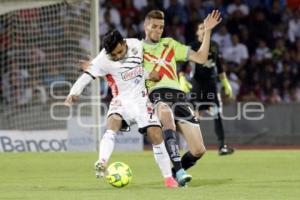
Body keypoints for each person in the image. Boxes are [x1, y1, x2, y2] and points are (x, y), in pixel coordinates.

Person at [65, 29, 178, 188]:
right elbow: (87, 75)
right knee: (112, 125)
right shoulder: (102, 59)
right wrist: (74, 92)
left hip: (141, 101)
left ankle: (168, 179)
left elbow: (141, 67)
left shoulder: (136, 45)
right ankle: (102, 161)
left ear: (124, 43)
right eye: (113, 55)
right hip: (121, 101)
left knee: (156, 134)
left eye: (119, 52)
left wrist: (150, 74)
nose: (117, 56)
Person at [142, 10, 221, 179]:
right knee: (167, 118)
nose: (158, 30)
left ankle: (173, 174)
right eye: (154, 26)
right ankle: (179, 172)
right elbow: (119, 67)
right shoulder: (137, 48)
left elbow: (200, 58)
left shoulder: (170, 43)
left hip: (179, 96)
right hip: (157, 94)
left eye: (161, 27)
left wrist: (207, 31)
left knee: (199, 150)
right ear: (145, 26)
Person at [180, 22, 235, 155]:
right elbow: (182, 67)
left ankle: (222, 146)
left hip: (211, 86)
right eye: (201, 29)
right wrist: (181, 79)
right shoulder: (192, 46)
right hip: (197, 86)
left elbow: (220, 67)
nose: (203, 31)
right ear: (197, 32)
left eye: (206, 28)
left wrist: (225, 82)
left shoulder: (214, 46)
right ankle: (189, 146)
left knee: (217, 115)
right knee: (192, 117)